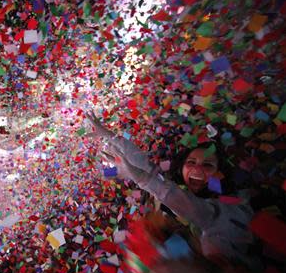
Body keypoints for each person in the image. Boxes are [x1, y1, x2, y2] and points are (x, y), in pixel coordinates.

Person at [85, 111, 255, 264]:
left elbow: (200, 212)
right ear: (181, 166)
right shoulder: (180, 187)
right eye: (191, 162)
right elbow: (147, 167)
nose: (197, 169)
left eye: (208, 165)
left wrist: (144, 179)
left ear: (220, 172)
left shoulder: (233, 204)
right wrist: (110, 136)